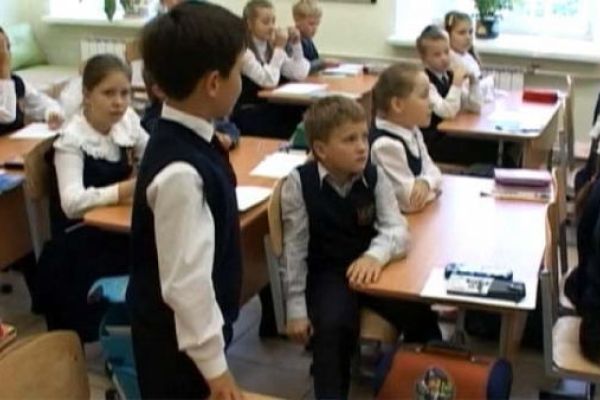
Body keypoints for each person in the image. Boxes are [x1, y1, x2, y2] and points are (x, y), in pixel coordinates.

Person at [282, 96, 441, 399]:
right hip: (329, 273)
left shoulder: (373, 175)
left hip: (373, 269)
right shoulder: (299, 184)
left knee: (420, 313)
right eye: (349, 140)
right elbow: (294, 251)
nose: (361, 147)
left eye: (364, 137)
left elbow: (397, 229)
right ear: (321, 150)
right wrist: (296, 310)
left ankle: (433, 386)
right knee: (332, 328)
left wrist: (374, 256)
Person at [127, 2, 246, 398]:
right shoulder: (180, 172)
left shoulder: (190, 138)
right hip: (175, 355)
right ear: (213, 83)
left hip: (187, 345)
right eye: (239, 70)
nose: (242, 81)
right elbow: (186, 286)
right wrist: (216, 370)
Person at [36, 54, 147, 342]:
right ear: (87, 95)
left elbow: (152, 154)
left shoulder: (126, 123)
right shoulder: (72, 141)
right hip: (81, 240)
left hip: (115, 228)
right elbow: (71, 203)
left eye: (125, 93)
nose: (118, 102)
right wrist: (123, 190)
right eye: (108, 93)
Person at [416, 24, 496, 165]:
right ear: (424, 58)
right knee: (488, 151)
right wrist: (457, 84)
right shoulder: (425, 82)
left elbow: (474, 107)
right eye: (437, 55)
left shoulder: (449, 76)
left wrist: (474, 82)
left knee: (498, 145)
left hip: (450, 134)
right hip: (434, 142)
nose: (444, 58)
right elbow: (447, 112)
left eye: (447, 52)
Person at [232, 0, 310, 139]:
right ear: (249, 24)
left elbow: (299, 74)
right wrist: (279, 48)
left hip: (268, 107)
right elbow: (268, 81)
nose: (272, 27)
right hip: (249, 111)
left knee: (302, 112)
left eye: (273, 21)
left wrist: (296, 44)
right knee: (292, 120)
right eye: (265, 22)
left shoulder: (270, 46)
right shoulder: (244, 51)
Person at [370, 62, 442, 213]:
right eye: (424, 96)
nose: (431, 103)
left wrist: (425, 182)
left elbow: (434, 171)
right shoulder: (386, 145)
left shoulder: (412, 130)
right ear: (397, 104)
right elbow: (409, 203)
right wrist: (434, 189)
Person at [0, 26, 64, 135]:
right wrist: (4, 70)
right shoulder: (7, 78)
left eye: (7, 48)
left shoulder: (15, 82)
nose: (6, 55)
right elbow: (7, 116)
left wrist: (52, 113)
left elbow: (45, 103)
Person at [292, 0, 328, 73]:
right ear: (297, 21)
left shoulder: (308, 40)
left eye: (317, 24)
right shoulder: (292, 41)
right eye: (311, 24)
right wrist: (323, 63)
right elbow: (301, 68)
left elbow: (315, 59)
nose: (315, 28)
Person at [444, 11, 481, 79]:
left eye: (470, 32)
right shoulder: (449, 60)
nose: (468, 37)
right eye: (461, 33)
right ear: (448, 35)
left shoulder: (469, 56)